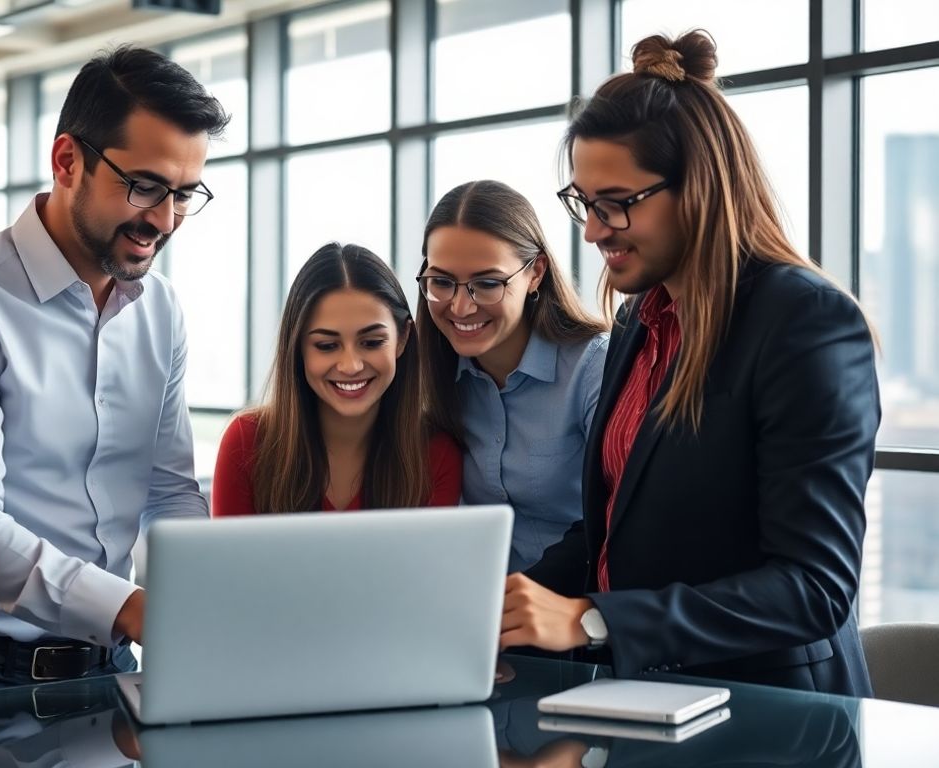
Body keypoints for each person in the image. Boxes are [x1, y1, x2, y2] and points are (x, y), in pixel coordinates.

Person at [500, 30, 879, 696]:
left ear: (698, 188)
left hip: (777, 718)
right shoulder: (636, 322)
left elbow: (813, 586)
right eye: (585, 203)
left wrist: (591, 619)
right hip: (651, 703)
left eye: (616, 202)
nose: (592, 230)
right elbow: (620, 524)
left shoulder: (805, 322)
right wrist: (508, 600)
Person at [0, 46, 226, 690]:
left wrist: (199, 594)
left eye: (184, 195)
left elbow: (168, 492)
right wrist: (127, 607)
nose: (162, 220)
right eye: (145, 186)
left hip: (114, 671)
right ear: (68, 160)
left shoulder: (160, 310)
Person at [416, 181, 608, 571]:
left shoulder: (593, 367)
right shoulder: (428, 377)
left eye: (487, 284)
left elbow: (619, 518)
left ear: (535, 273)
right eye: (442, 282)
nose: (461, 306)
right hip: (478, 606)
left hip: (575, 607)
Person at [212, 243, 462, 516]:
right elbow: (228, 560)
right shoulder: (246, 442)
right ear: (297, 349)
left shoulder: (436, 455)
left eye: (372, 342)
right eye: (327, 346)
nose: (351, 366)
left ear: (402, 339)